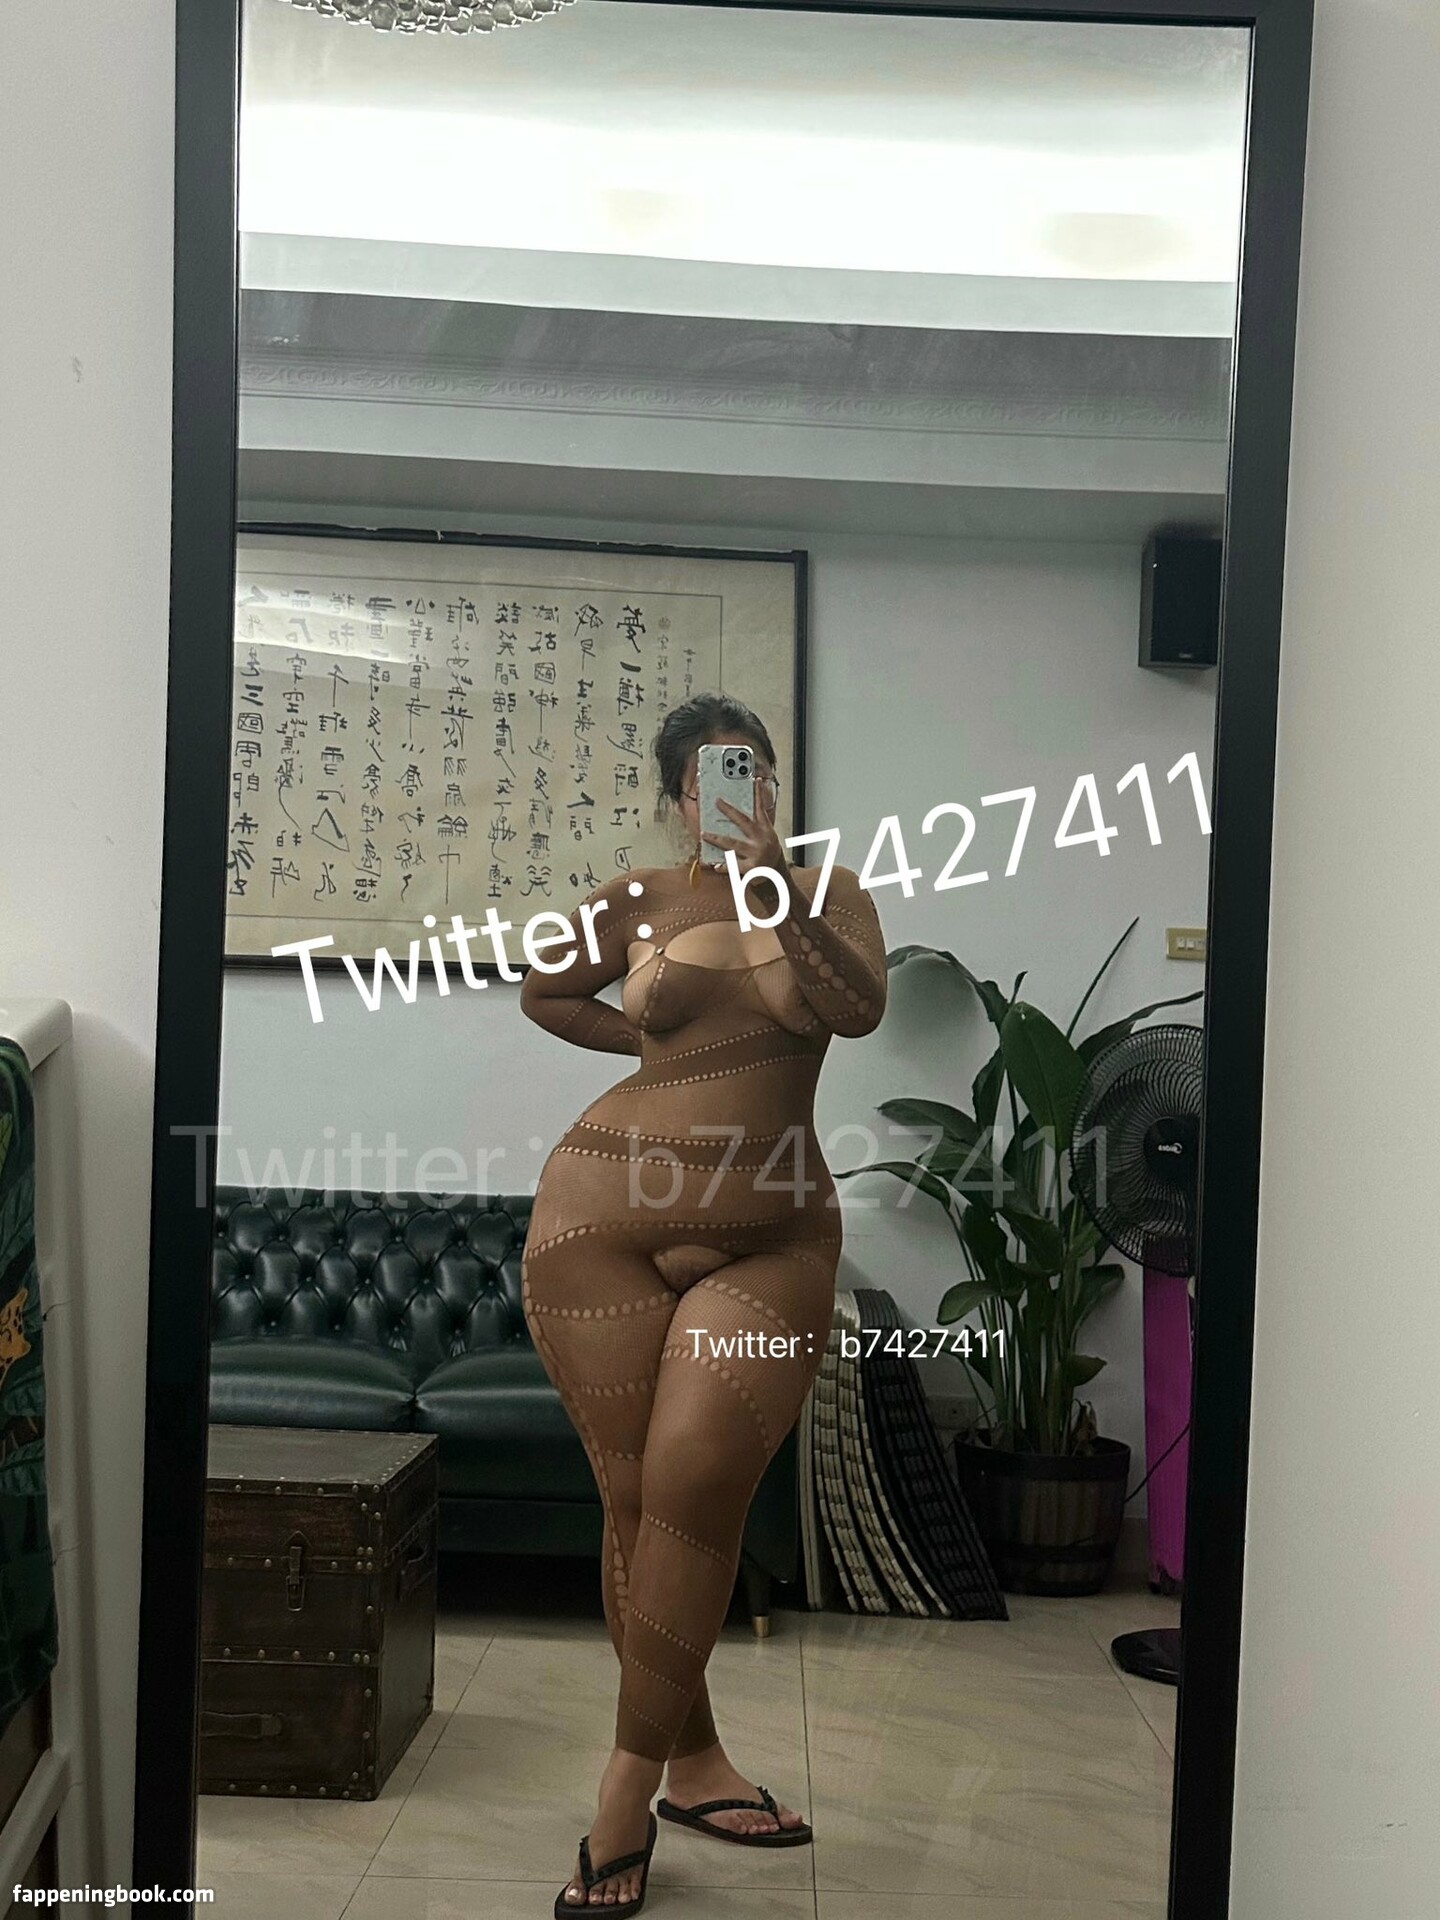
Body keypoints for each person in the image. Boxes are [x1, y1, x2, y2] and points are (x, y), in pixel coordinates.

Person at [519, 692, 887, 1915]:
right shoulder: (639, 901)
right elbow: (545, 993)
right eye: (710, 778)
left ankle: (622, 1796)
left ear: (775, 782)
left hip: (771, 1239)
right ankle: (694, 1764)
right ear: (680, 798)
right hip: (599, 1223)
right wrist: (650, 1055)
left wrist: (768, 879)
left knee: (692, 1483)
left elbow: (853, 1008)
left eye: (754, 769)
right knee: (635, 1504)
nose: (735, 789)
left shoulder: (829, 894)